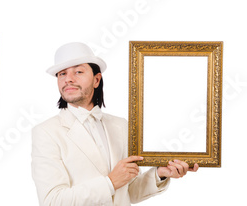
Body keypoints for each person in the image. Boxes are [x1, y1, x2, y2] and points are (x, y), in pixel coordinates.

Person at [31, 42, 199, 206]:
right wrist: (110, 182)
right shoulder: (46, 132)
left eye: (78, 71)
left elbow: (130, 191)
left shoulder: (120, 125)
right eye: (62, 74)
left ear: (96, 80)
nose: (68, 79)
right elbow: (52, 201)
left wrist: (160, 174)